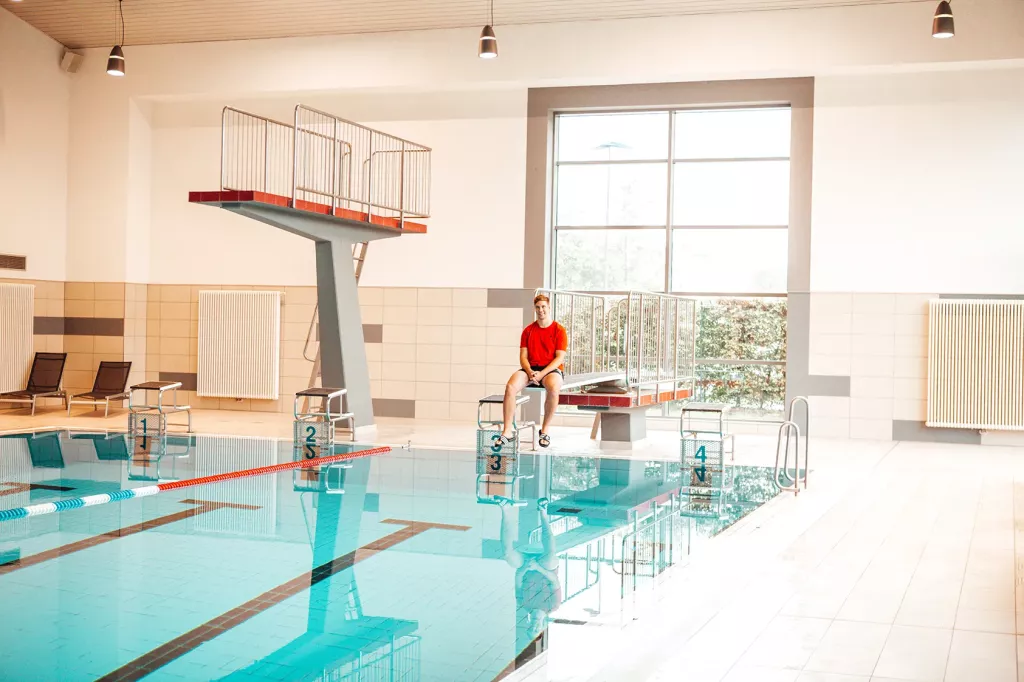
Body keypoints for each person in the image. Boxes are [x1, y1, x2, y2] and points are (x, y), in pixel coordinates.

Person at [493, 294, 566, 450]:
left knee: (554, 388)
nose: (541, 310)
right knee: (510, 387)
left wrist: (542, 373)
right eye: (538, 307)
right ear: (535, 309)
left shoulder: (559, 330)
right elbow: (523, 357)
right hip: (531, 368)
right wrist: (530, 371)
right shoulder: (528, 331)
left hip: (551, 369)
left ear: (549, 308)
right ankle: (507, 432)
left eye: (544, 307)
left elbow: (559, 358)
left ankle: (545, 430)